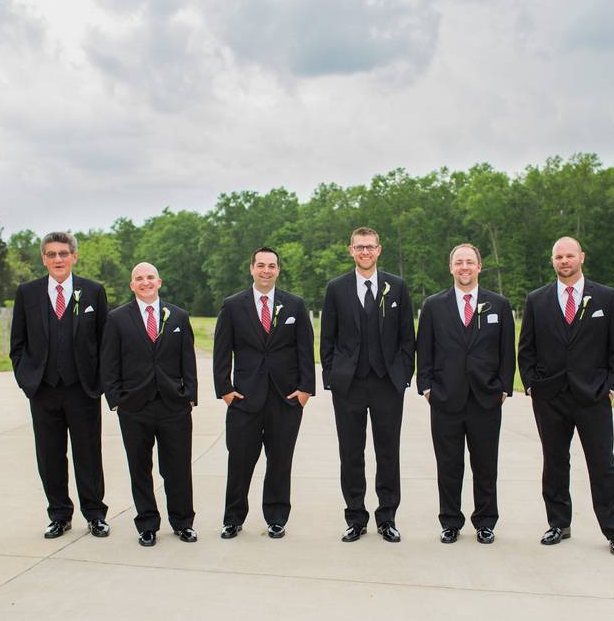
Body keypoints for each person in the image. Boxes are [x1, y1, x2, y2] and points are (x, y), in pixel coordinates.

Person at [517, 236, 614, 556]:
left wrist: (611, 387)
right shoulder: (536, 300)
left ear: (581, 257)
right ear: (552, 261)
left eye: (569, 255)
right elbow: (526, 349)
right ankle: (558, 524)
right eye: (558, 257)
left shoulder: (606, 299)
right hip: (550, 397)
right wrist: (531, 385)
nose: (564, 261)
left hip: (593, 396)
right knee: (554, 462)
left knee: (602, 463)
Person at [9, 231, 109, 539]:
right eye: (51, 254)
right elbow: (18, 343)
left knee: (88, 454)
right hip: (43, 389)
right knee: (49, 456)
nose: (58, 259)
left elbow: (105, 342)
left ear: (74, 257)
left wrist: (99, 383)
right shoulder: (28, 293)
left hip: (82, 389)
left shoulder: (93, 292)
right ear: (44, 259)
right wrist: (28, 381)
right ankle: (59, 515)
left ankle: (95, 515)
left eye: (63, 253)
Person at [212, 247, 314, 540]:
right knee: (240, 461)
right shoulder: (233, 306)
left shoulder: (295, 305)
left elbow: (305, 349)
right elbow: (222, 352)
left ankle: (277, 517)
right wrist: (226, 391)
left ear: (278, 270)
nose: (266, 270)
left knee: (280, 461)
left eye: (271, 266)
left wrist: (306, 389)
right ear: (251, 268)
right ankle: (233, 518)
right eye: (261, 265)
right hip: (244, 398)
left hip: (286, 398)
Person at [320, 227, 415, 543]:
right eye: (359, 247)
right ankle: (355, 517)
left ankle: (387, 517)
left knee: (388, 452)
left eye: (370, 247)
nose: (365, 252)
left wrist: (402, 377)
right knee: (351, 452)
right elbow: (328, 338)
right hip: (349, 385)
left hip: (388, 383)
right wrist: (332, 377)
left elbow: (406, 337)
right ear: (350, 250)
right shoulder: (336, 288)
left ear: (379, 249)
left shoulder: (397, 287)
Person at [416, 243, 515, 544]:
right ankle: (450, 521)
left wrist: (504, 388)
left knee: (485, 463)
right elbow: (425, 348)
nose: (464, 267)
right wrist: (427, 387)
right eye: (459, 262)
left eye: (470, 262)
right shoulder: (434, 305)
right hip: (446, 398)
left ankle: (485, 521)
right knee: (448, 463)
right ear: (451, 268)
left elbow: (507, 351)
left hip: (486, 398)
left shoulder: (498, 305)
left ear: (479, 267)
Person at [100, 262, 198, 547]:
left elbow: (187, 360)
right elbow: (109, 363)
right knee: (139, 467)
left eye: (150, 277)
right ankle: (147, 524)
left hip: (173, 405)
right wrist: (116, 400)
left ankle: (182, 522)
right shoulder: (117, 319)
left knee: (177, 467)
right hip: (134, 406)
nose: (145, 282)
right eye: (139, 278)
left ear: (159, 282)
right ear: (132, 285)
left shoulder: (178, 316)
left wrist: (189, 395)